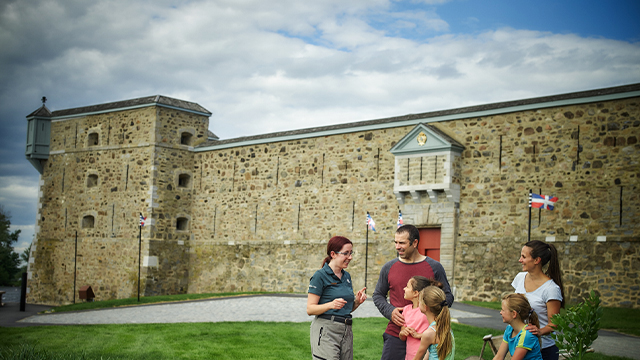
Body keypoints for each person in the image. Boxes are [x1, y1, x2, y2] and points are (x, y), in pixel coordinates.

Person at [373, 224, 454, 360]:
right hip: (396, 332)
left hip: (426, 335)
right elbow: (378, 295)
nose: (397, 246)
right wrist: (390, 311)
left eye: (402, 243)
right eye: (396, 242)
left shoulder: (435, 267)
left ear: (415, 243)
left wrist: (430, 311)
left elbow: (447, 296)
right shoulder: (388, 267)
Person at [307, 236, 367, 360]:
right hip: (326, 331)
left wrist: (357, 302)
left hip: (346, 331)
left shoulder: (347, 276)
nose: (350, 257)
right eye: (345, 253)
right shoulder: (319, 276)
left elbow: (345, 309)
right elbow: (310, 309)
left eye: (351, 253)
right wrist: (330, 305)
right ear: (333, 254)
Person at [512, 240, 565, 360]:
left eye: (524, 257)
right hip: (520, 346)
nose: (520, 260)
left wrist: (540, 331)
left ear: (537, 260)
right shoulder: (519, 278)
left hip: (543, 350)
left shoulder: (551, 289)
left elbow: (554, 324)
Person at [493, 293, 543, 360]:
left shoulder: (526, 335)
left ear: (514, 314)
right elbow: (499, 357)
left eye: (503, 310)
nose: (500, 312)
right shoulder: (509, 329)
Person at [412, 285, 455, 360]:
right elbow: (430, 353)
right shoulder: (446, 328)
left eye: (420, 301)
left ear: (425, 307)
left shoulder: (429, 334)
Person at [399, 276, 433, 360]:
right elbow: (402, 336)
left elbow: (437, 332)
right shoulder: (406, 310)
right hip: (409, 356)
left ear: (415, 293)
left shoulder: (426, 310)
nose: (404, 289)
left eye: (407, 287)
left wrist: (419, 335)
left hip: (425, 356)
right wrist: (403, 333)